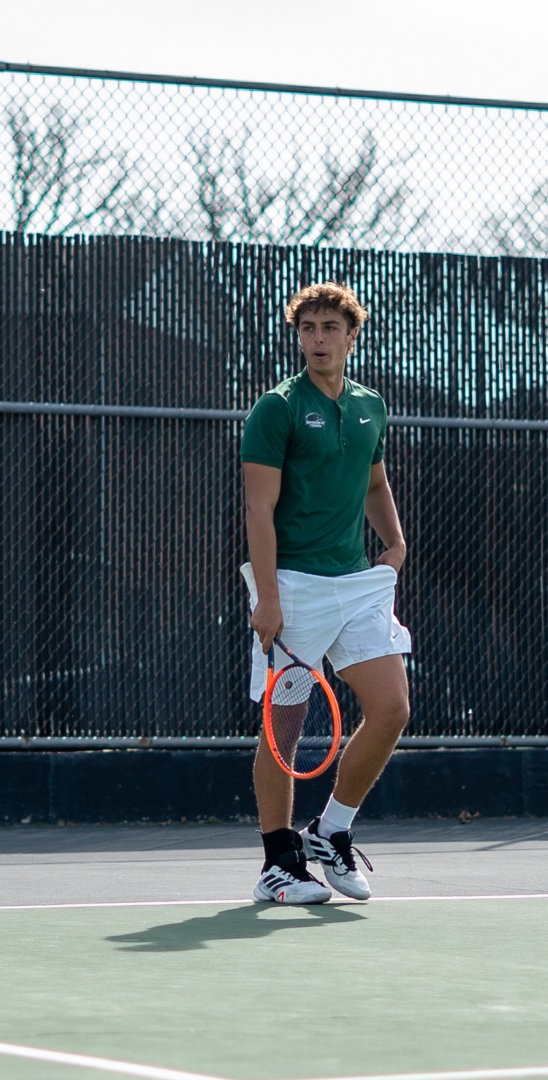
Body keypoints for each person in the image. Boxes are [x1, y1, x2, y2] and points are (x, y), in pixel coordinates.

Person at [239, 281, 411, 904]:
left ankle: (330, 830)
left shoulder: (370, 407)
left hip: (357, 585)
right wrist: (269, 597)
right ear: (299, 335)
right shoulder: (277, 408)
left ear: (351, 336)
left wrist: (394, 542)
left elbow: (374, 482)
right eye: (307, 328)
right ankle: (277, 864)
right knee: (282, 733)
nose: (317, 339)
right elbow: (260, 507)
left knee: (392, 708)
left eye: (329, 328)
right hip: (293, 586)